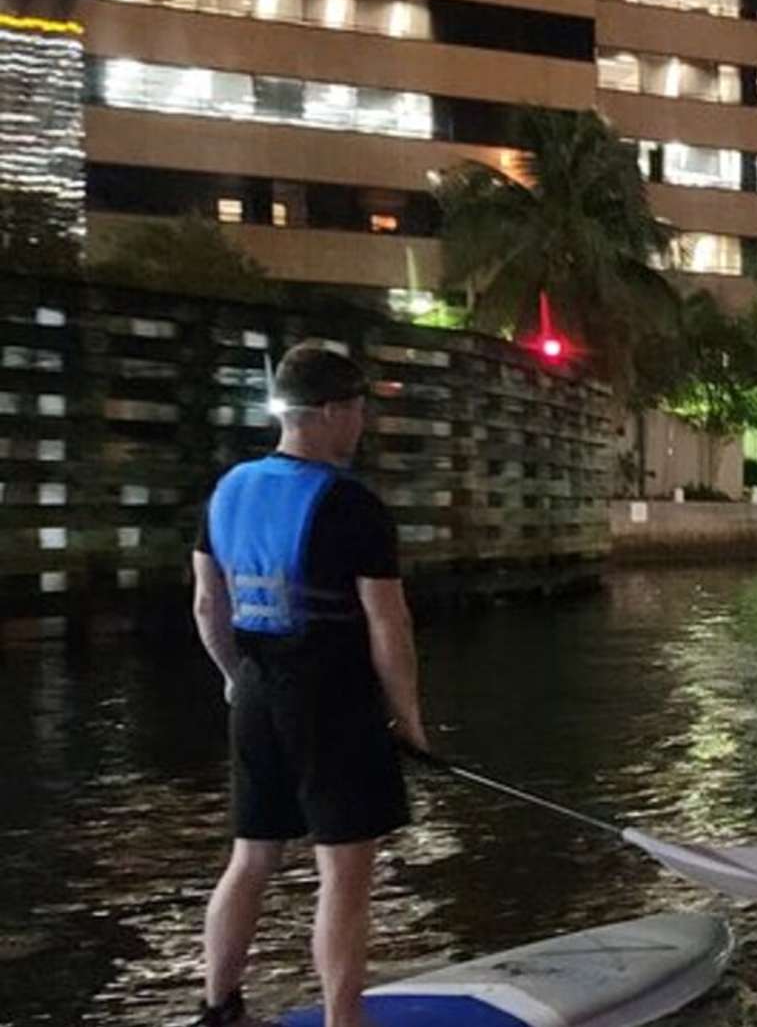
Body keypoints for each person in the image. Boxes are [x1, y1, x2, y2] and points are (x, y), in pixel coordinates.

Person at [188, 344, 427, 1027]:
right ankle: (343, 1023)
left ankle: (218, 1007)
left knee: (251, 858)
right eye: (355, 412)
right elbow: (389, 624)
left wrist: (237, 680)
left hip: (257, 698)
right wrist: (408, 721)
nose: (361, 426)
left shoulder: (228, 488)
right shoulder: (352, 503)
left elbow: (209, 605)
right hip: (335, 703)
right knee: (345, 880)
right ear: (325, 413)